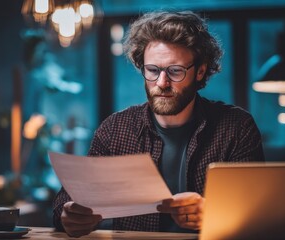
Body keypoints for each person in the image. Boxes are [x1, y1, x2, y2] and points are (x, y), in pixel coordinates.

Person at [52, 10, 265, 237]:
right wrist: (68, 216)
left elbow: (259, 212)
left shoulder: (236, 128)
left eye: (175, 71)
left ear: (200, 71)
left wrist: (216, 212)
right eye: (152, 70)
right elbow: (64, 204)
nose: (161, 83)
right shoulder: (115, 129)